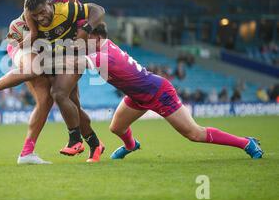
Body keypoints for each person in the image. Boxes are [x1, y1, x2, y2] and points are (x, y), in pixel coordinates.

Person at [84, 23, 263, 160]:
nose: (82, 41)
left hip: (159, 93)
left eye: (86, 38)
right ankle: (131, 146)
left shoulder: (103, 56)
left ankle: (246, 143)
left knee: (194, 134)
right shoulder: (105, 44)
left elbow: (73, 62)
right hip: (139, 95)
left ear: (97, 38)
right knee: (117, 127)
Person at [0, 0, 106, 162]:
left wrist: (85, 29)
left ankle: (93, 143)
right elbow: (23, 38)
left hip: (55, 55)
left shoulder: (66, 10)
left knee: (70, 103)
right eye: (35, 15)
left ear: (50, 4)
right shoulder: (23, 22)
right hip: (27, 48)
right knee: (46, 91)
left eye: (42, 12)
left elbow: (97, 10)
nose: (40, 17)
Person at [5, 0, 103, 164]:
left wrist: (84, 30)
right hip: (43, 51)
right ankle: (91, 143)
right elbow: (28, 2)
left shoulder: (75, 5)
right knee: (65, 100)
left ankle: (84, 141)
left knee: (64, 99)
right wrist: (33, 33)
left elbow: (98, 12)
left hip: (63, 55)